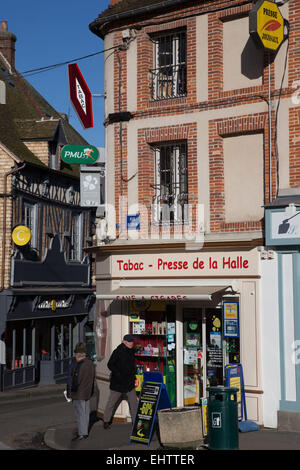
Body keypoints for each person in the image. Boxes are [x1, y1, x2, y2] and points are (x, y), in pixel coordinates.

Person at [103, 334, 137, 429]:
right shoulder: (117, 351)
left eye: (132, 341)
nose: (131, 343)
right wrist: (118, 374)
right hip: (118, 382)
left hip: (129, 382)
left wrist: (133, 372)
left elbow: (132, 365)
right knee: (111, 402)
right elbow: (110, 364)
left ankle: (135, 422)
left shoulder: (131, 351)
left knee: (133, 403)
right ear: (124, 342)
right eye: (130, 341)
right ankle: (106, 421)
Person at [70, 342, 95, 441]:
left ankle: (81, 433)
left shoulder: (80, 365)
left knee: (80, 414)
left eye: (75, 354)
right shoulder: (90, 363)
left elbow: (76, 380)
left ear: (78, 355)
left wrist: (71, 392)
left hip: (79, 393)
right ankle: (84, 432)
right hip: (87, 392)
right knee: (85, 413)